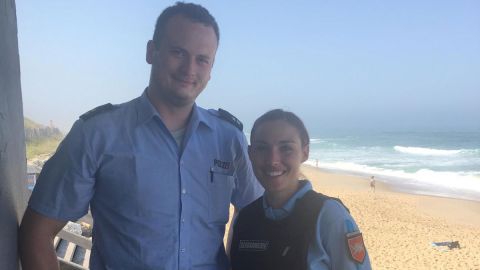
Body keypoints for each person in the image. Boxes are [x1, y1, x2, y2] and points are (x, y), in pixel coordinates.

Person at [18, 3, 263, 270]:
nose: (189, 69)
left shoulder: (229, 138)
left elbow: (256, 214)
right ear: (151, 51)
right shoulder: (96, 134)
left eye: (202, 59)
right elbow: (36, 233)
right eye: (178, 52)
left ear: (211, 68)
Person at [230, 109, 372, 270]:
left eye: (286, 148)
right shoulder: (245, 220)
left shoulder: (329, 216)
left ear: (305, 152)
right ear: (250, 154)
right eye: (262, 148)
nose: (273, 160)